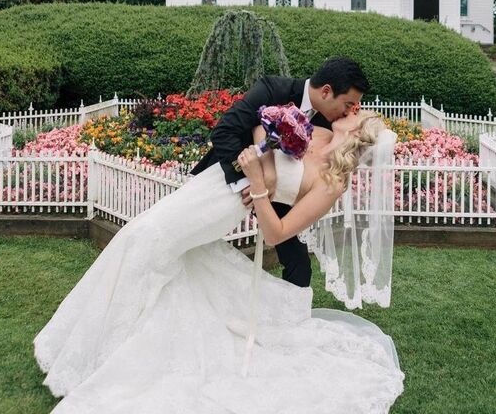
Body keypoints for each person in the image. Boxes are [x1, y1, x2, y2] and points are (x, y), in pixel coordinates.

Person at [34, 109, 404, 413]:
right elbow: (265, 125)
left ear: (360, 133)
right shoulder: (317, 132)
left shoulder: (332, 183)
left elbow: (277, 233)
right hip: (217, 183)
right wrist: (261, 148)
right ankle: (94, 339)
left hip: (235, 202)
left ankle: (103, 352)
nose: (352, 109)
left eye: (360, 113)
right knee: (151, 244)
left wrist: (259, 183)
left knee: (147, 241)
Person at [191, 56, 370, 287]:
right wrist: (256, 180)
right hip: (230, 179)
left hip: (275, 197)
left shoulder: (329, 126)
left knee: (299, 264)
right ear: (326, 91)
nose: (349, 112)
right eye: (348, 104)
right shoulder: (273, 89)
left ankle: (291, 318)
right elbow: (224, 133)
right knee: (192, 245)